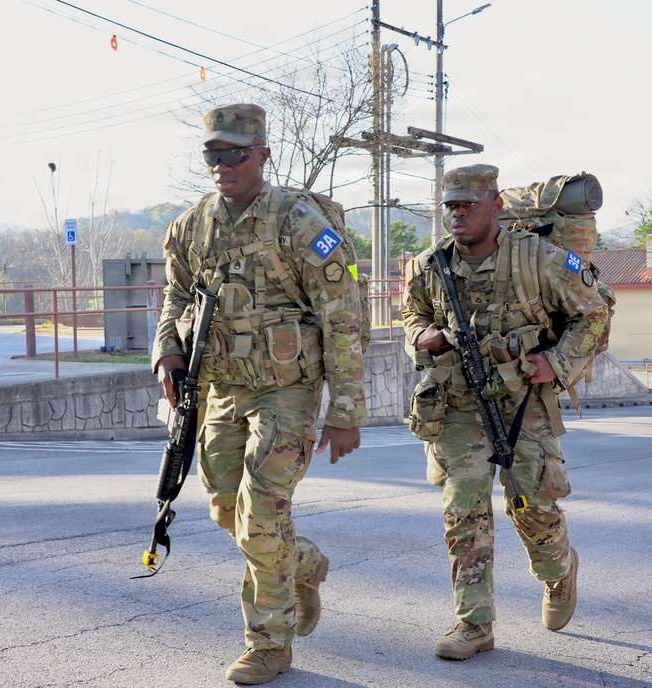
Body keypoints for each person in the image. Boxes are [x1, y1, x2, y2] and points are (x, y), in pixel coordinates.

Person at [151, 103, 367, 685]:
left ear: (263, 155)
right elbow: (174, 296)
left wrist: (344, 412)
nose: (223, 165)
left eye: (235, 155)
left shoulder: (299, 223)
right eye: (212, 155)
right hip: (221, 391)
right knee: (228, 510)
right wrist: (166, 350)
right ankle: (305, 564)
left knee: (259, 518)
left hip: (287, 394)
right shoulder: (192, 225)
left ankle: (269, 642)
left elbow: (343, 316)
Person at [402, 164, 609, 660]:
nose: (457, 214)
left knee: (532, 507)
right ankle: (474, 624)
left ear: (495, 207)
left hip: (524, 402)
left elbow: (595, 314)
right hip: (458, 403)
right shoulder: (432, 264)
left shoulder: (540, 259)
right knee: (463, 511)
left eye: (468, 205)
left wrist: (554, 363)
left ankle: (558, 571)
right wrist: (421, 337)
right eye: (450, 205)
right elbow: (413, 313)